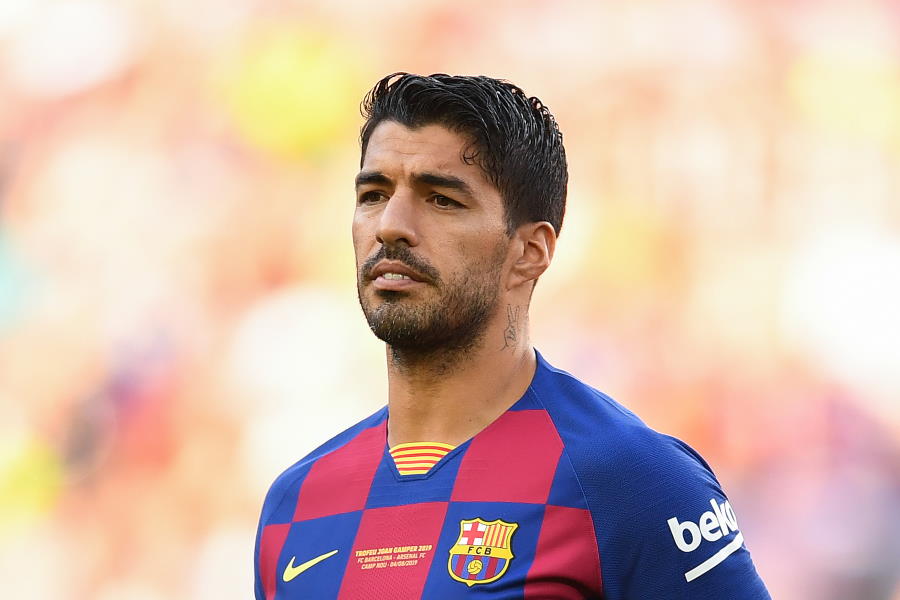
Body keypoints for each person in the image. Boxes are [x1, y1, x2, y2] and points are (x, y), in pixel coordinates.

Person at [253, 72, 771, 600]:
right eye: (373, 194)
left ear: (529, 252)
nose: (390, 224)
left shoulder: (632, 481)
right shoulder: (295, 504)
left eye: (441, 199)